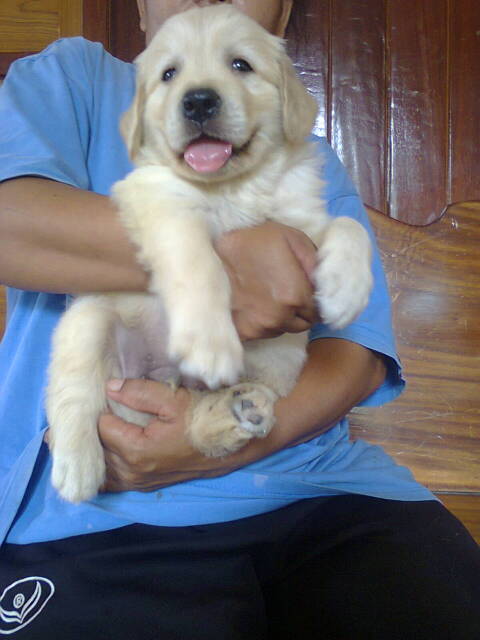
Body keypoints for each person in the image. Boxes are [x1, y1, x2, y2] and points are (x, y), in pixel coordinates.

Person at [0, 1, 478, 638]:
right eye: (171, 72)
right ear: (140, 11)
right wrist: (219, 261)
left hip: (317, 484)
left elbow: (356, 351)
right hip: (95, 506)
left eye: (239, 61)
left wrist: (215, 448)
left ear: (277, 22)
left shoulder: (306, 158)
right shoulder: (74, 78)